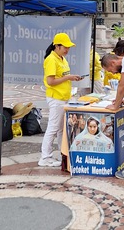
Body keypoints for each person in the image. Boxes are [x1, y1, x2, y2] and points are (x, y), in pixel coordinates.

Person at [39, 33, 82, 167]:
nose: (67, 50)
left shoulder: (62, 59)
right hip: (56, 98)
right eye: (65, 47)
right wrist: (68, 78)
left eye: (69, 47)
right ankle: (45, 157)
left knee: (61, 129)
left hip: (63, 98)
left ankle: (63, 154)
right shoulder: (51, 59)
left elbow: (62, 76)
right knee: (53, 128)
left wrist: (71, 77)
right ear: (57, 46)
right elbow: (51, 81)